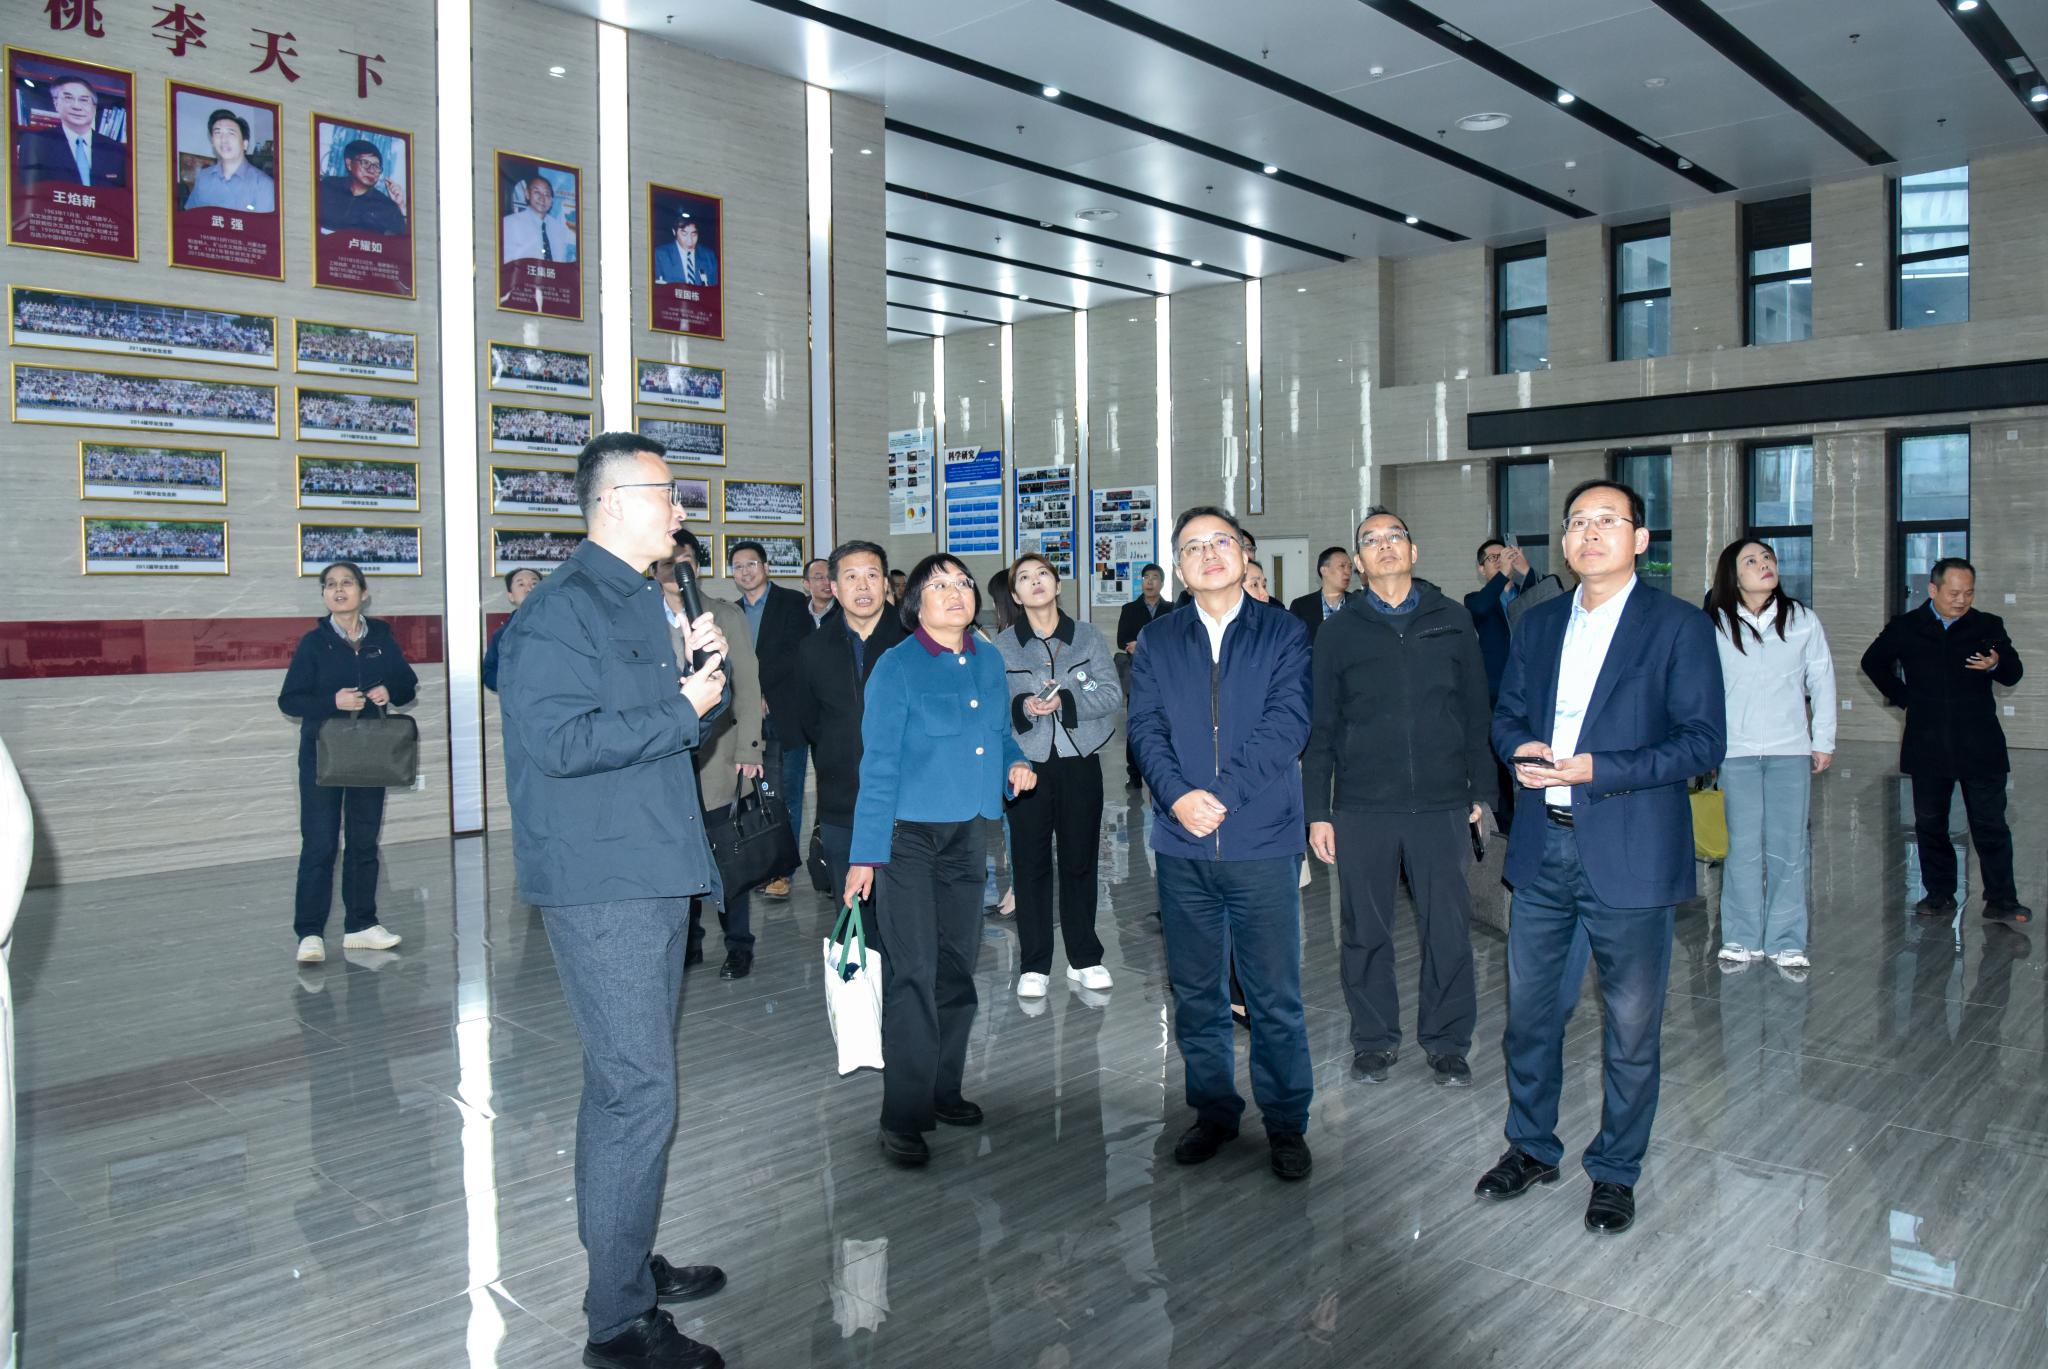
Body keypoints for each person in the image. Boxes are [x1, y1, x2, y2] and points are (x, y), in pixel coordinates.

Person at [497, 431, 733, 1369]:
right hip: (604, 880)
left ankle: (624, 1258)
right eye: (667, 495)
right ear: (614, 503)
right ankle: (619, 1322)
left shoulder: (645, 597)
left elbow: (666, 734)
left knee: (625, 1085)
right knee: (637, 1091)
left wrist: (702, 688)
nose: (680, 511)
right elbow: (560, 742)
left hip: (650, 861)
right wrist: (682, 707)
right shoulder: (558, 612)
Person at [1478, 478, 1725, 1236]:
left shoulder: (1678, 626)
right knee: (1531, 1017)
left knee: (1630, 1027)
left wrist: (1599, 768)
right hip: (1543, 847)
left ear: (1639, 540)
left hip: (1631, 849)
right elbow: (1506, 713)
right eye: (1577, 522)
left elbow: (1702, 742)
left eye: (1607, 521)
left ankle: (1616, 1169)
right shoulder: (1538, 621)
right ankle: (1531, 1146)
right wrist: (1519, 747)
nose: (1589, 533)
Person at [1128, 506, 1314, 1181]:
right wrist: (1179, 796)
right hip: (1182, 846)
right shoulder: (1157, 639)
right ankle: (1213, 1111)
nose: (1208, 554)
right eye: (1193, 547)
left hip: (1261, 841)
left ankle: (1286, 1121)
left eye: (1221, 542)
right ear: (1179, 568)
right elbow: (1145, 728)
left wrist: (1223, 795)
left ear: (1243, 553)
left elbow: (1288, 723)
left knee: (1273, 997)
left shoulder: (1284, 631)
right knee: (1197, 993)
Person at [843, 555, 1035, 1165]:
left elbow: (999, 735)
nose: (956, 592)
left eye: (963, 583)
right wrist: (864, 856)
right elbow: (877, 766)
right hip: (907, 841)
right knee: (914, 973)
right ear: (915, 603)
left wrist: (1014, 764)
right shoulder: (897, 667)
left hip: (967, 835)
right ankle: (902, 1114)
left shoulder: (987, 659)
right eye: (940, 585)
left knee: (957, 968)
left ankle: (943, 1088)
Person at [1304, 508, 1491, 1088]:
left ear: (1413, 551)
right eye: (1371, 540)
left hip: (1442, 803)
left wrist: (1482, 791)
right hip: (1363, 806)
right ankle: (1374, 1039)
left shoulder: (1453, 619)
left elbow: (1476, 712)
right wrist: (1318, 812)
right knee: (1365, 930)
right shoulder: (1338, 631)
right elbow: (1321, 728)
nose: (1384, 545)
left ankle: (1448, 1042)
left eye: (1394, 537)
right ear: (1357, 563)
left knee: (1448, 930)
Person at [1861, 557, 2030, 924]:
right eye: (1954, 593)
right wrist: (1906, 699)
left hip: (1981, 742)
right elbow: (1872, 663)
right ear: (1933, 589)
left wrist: (1996, 664)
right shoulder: (1907, 626)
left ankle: (2002, 899)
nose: (1961, 600)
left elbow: (2014, 672)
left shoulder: (1986, 625)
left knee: (1991, 826)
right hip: (1928, 742)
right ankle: (1939, 893)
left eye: (1968, 593)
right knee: (1930, 823)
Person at [277, 562, 418, 964]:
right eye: (330, 585)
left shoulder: (382, 638)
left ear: (363, 592)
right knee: (320, 844)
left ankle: (361, 925)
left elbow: (407, 686)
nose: (338, 590)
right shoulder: (313, 643)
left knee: (363, 843)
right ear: (324, 595)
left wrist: (388, 690)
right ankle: (310, 933)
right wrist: (332, 702)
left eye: (347, 583)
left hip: (369, 754)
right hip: (322, 755)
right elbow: (290, 700)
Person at [1707, 540, 1837, 974]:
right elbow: (1703, 689)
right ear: (1733, 574)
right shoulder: (1716, 622)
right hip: (1736, 751)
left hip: (1790, 749)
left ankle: (1786, 940)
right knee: (1741, 848)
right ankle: (1740, 937)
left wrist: (1823, 739)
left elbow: (1822, 681)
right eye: (1752, 561)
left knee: (1789, 847)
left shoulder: (1802, 619)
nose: (1764, 565)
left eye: (1768, 558)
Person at [998, 553, 1123, 999]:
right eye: (1024, 578)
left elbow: (1110, 693)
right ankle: (1034, 964)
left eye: (1043, 575)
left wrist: (1066, 699)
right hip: (1026, 765)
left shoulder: (1087, 637)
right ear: (1015, 595)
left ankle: (1085, 957)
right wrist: (1024, 707)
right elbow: (995, 709)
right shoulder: (1002, 646)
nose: (1035, 582)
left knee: (1080, 861)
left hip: (1079, 761)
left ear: (1057, 585)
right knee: (1029, 864)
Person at [657, 530, 765, 979]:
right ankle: (688, 943)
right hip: (663, 757)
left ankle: (738, 944)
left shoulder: (724, 614)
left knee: (727, 854)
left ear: (696, 566)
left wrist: (750, 747)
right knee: (676, 855)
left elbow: (748, 685)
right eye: (664, 561)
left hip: (718, 755)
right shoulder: (639, 615)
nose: (672, 568)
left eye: (681, 560)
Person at [789, 541, 906, 896]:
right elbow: (810, 722)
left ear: (885, 584)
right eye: (851, 577)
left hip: (908, 806)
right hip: (842, 805)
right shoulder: (812, 649)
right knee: (853, 910)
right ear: (835, 588)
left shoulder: (914, 641)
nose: (863, 586)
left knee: (906, 915)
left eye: (872, 575)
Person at [726, 539, 817, 896]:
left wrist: (757, 689)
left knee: (787, 795)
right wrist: (750, 697)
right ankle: (760, 867)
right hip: (745, 721)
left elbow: (796, 653)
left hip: (786, 715)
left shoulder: (792, 603)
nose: (745, 571)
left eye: (751, 564)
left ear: (766, 567)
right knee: (754, 795)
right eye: (738, 567)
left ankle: (782, 872)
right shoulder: (731, 612)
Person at [1467, 538, 1544, 826]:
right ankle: (1505, 829)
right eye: (1493, 558)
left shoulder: (1527, 594)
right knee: (1498, 764)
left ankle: (1536, 820)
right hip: (1495, 692)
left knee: (1538, 756)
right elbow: (1478, 611)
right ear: (1481, 569)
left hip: (1534, 690)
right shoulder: (1476, 599)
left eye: (1505, 555)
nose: (1501, 561)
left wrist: (1526, 571)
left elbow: (1551, 598)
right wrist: (1502, 576)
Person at [16, 72, 127, 189]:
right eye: (68, 98)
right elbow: (30, 191)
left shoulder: (117, 150)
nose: (77, 106)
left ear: (94, 108)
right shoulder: (36, 143)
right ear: (56, 103)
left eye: (84, 100)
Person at [1116, 563, 1171, 788]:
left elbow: (1174, 640)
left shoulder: (1171, 609)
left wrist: (1142, 645)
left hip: (1166, 676)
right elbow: (1122, 640)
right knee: (1137, 722)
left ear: (1162, 583)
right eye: (1146, 577)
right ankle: (1134, 773)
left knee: (1167, 723)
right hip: (1138, 675)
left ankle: (1166, 770)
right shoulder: (1129, 609)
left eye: (1155, 578)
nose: (1150, 582)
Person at [183, 107, 276, 212]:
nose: (223, 140)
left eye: (231, 133)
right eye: (218, 133)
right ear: (213, 142)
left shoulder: (264, 185)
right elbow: (191, 218)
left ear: (245, 144)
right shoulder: (203, 177)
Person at [317, 138, 408, 235]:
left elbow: (404, 238)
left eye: (376, 166)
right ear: (349, 164)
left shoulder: (384, 204)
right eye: (365, 163)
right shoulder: (329, 184)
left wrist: (401, 205)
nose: (371, 170)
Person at [482, 567, 541, 693]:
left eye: (534, 583)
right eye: (521, 584)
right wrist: (513, 685)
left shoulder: (563, 627)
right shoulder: (502, 635)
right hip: (521, 702)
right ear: (511, 596)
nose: (529, 589)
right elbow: (489, 673)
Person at [1288, 546, 1357, 643]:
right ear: (1324, 571)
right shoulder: (1301, 606)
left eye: (1350, 567)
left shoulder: (1357, 604)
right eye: (1342, 566)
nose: (1348, 572)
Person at [501, 173, 574, 262]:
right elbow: (507, 262)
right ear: (527, 194)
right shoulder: (510, 223)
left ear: (551, 200)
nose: (541, 198)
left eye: (546, 194)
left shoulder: (558, 229)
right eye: (536, 192)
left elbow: (561, 262)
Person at [654, 214, 719, 285]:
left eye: (694, 234)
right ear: (674, 232)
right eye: (684, 234)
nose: (690, 241)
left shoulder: (708, 256)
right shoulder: (660, 255)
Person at [801, 557, 836, 627]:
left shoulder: (845, 609)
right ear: (806, 584)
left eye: (831, 576)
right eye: (820, 577)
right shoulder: (799, 610)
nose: (827, 582)